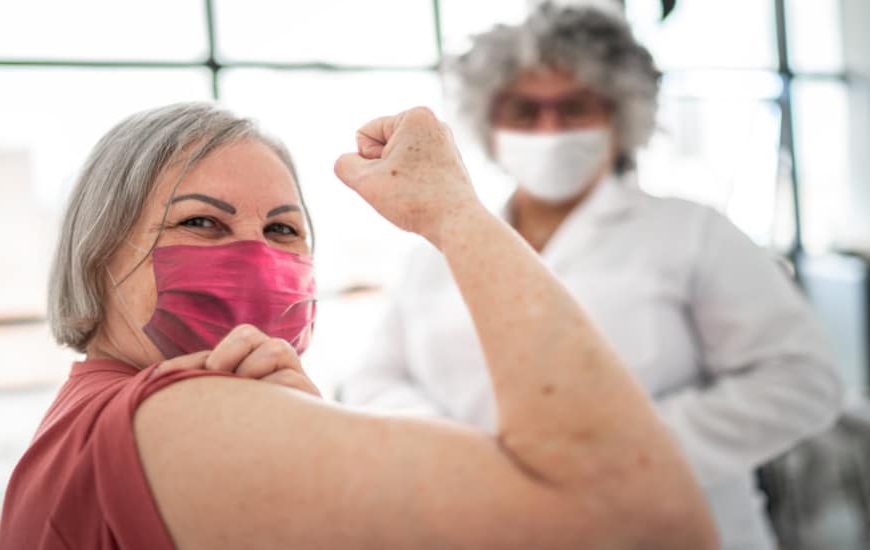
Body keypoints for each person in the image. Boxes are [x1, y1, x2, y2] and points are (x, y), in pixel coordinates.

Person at [0, 102, 717, 549]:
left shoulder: (95, 414)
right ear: (96, 254)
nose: (253, 254)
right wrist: (453, 212)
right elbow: (641, 524)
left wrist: (291, 419)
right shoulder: (175, 415)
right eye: (201, 222)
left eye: (283, 230)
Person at [339, 2, 842, 549]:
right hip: (486, 523)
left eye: (574, 108)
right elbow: (374, 380)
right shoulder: (432, 248)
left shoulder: (693, 232)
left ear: (619, 118)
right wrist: (464, 455)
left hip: (671, 527)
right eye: (525, 111)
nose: (549, 128)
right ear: (488, 121)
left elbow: (801, 380)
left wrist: (620, 452)